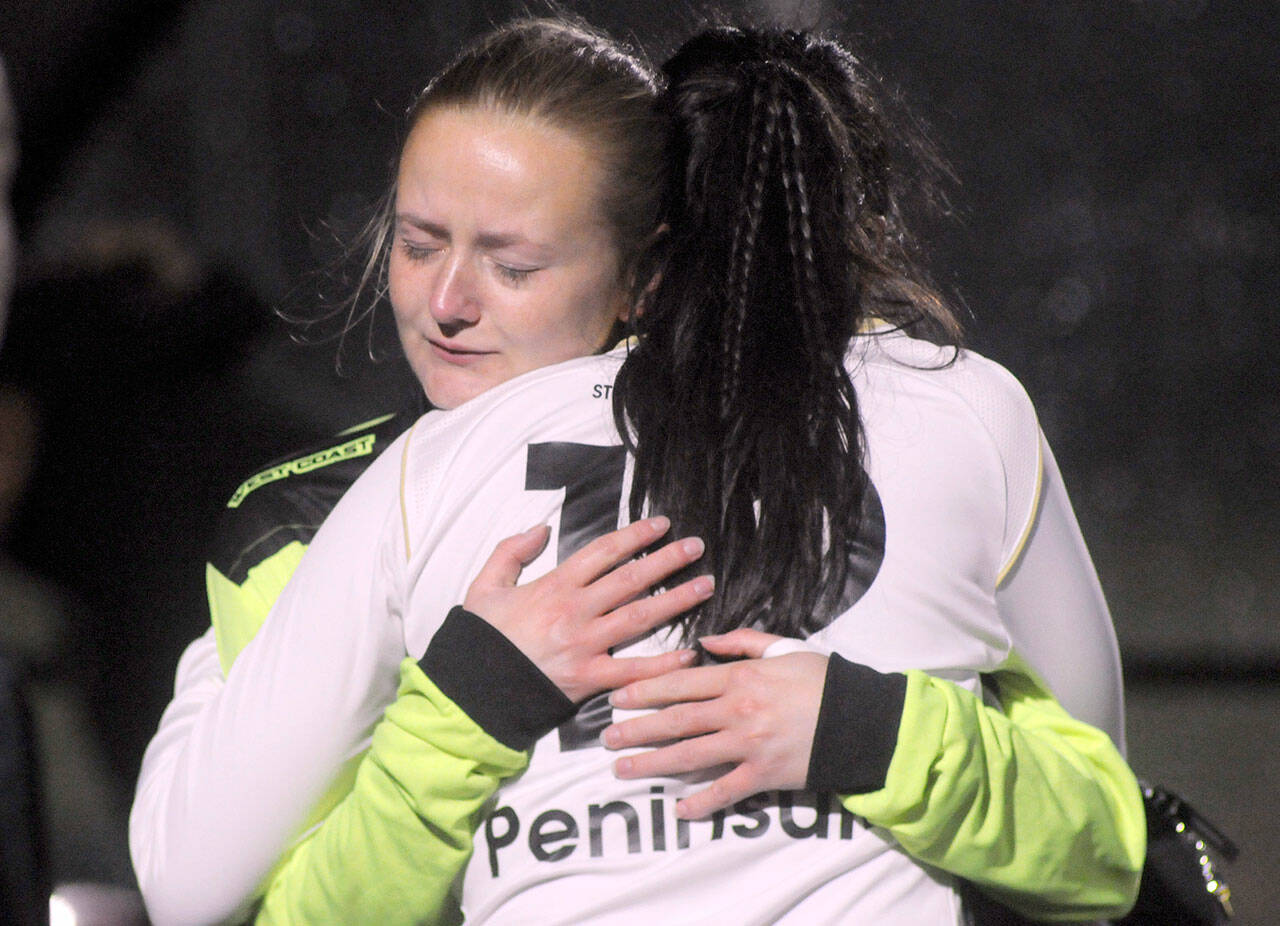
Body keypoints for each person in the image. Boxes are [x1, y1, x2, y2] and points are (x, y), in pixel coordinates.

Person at [130, 19, 1143, 925]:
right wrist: (469, 705)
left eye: (512, 265)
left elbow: (1097, 836)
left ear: (646, 275)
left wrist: (862, 729)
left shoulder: (934, 419)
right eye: (416, 242)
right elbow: (193, 884)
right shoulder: (314, 515)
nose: (445, 302)